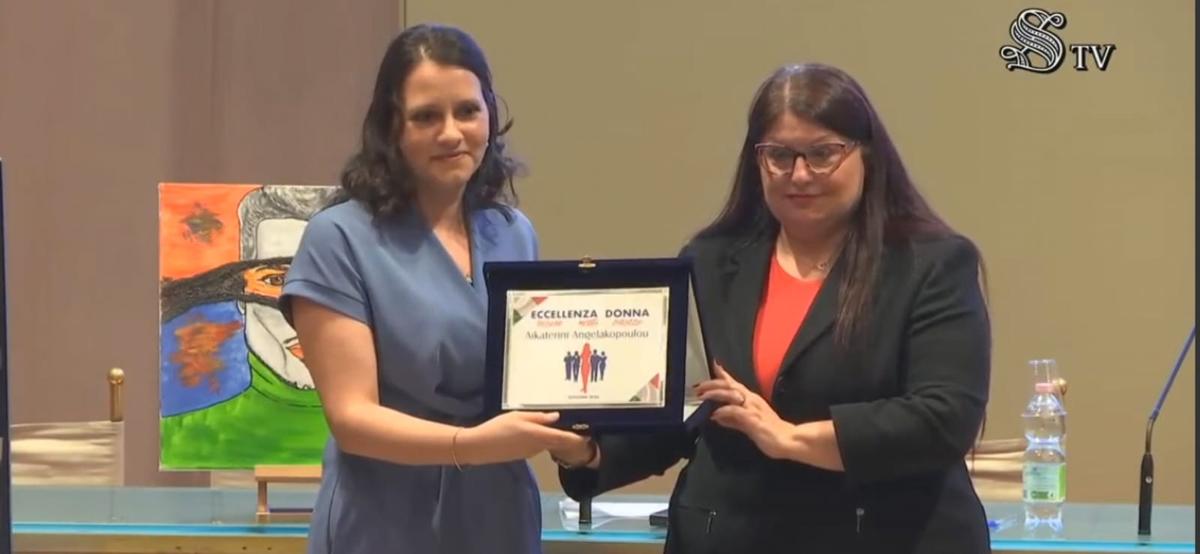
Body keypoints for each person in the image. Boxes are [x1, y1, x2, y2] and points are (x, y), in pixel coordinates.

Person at [550, 63, 992, 553]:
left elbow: (942, 418)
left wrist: (789, 438)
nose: (800, 174)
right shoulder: (711, 259)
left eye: (823, 153)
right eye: (779, 155)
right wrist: (586, 452)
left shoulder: (931, 263)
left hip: (886, 535)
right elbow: (685, 409)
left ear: (866, 155)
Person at [280, 24, 589, 554]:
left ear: (490, 115)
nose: (452, 133)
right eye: (427, 116)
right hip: (385, 520)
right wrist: (471, 445)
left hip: (499, 515)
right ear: (391, 128)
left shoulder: (514, 232)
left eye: (468, 111)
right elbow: (352, 418)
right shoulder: (338, 239)